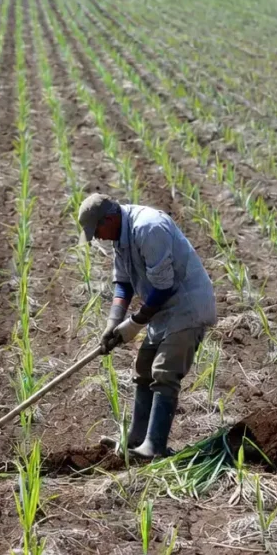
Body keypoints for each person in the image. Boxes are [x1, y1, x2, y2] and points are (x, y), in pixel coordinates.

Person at [78, 193, 217, 458]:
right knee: (143, 369)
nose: (98, 238)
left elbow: (164, 286)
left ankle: (154, 447)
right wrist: (113, 323)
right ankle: (136, 440)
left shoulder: (148, 227)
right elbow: (124, 283)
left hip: (187, 306)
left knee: (164, 371)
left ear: (109, 218)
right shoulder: (121, 236)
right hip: (163, 310)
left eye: (97, 231)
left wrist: (135, 323)